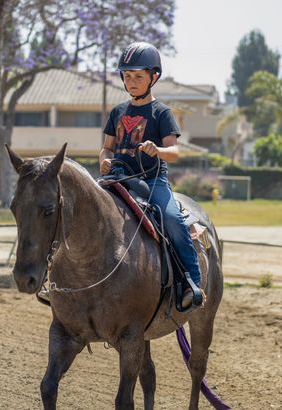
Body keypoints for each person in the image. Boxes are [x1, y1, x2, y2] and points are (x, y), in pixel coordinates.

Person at [100, 41, 204, 309]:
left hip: (151, 181)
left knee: (171, 219)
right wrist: (104, 161)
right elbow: (106, 148)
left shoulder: (162, 113)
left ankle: (192, 282)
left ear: (153, 77)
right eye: (127, 76)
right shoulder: (117, 112)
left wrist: (157, 149)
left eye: (138, 76)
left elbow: (175, 152)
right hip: (118, 178)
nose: (131, 82)